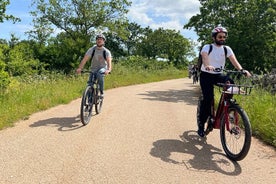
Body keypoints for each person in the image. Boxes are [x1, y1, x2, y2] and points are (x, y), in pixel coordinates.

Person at [197, 25, 251, 137]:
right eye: (220, 37)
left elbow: (233, 60)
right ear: (214, 37)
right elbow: (204, 56)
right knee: (208, 99)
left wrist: (242, 70)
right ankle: (201, 124)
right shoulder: (207, 47)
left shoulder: (227, 49)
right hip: (206, 75)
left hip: (218, 75)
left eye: (224, 37)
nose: (222, 39)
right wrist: (207, 65)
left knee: (229, 81)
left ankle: (229, 108)